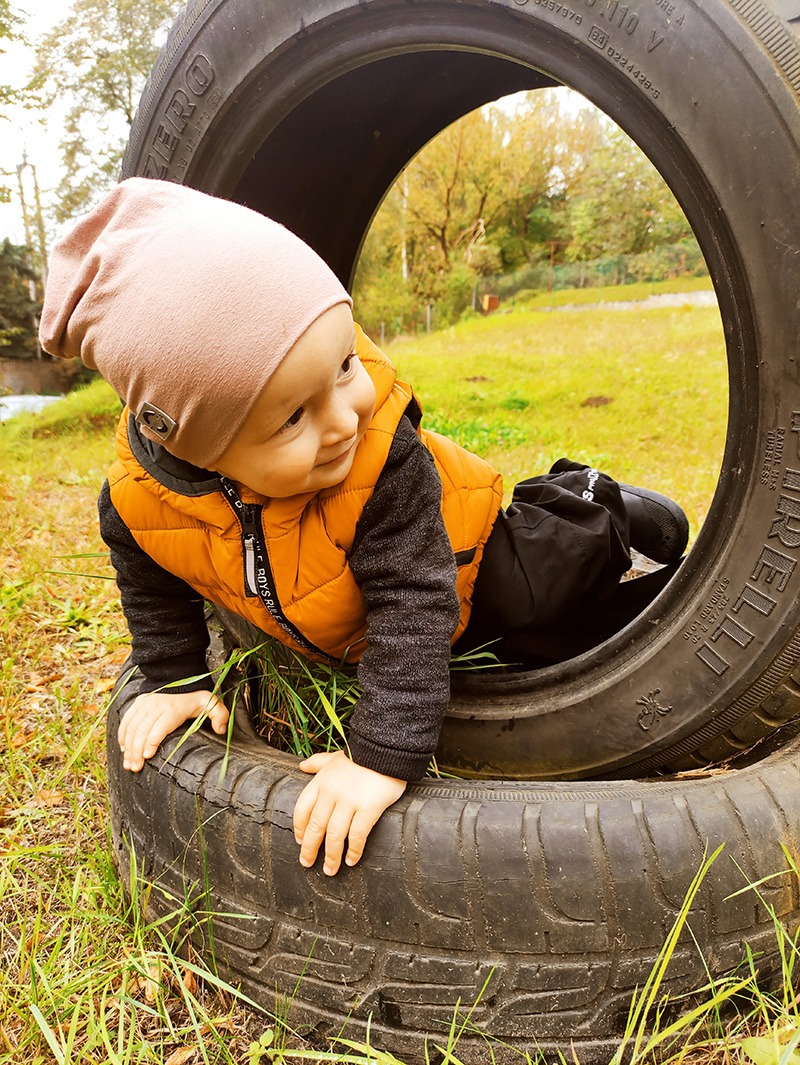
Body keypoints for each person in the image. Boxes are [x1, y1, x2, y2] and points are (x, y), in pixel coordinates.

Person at [39, 178, 688, 878]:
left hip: (471, 555)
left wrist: (380, 756)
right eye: (294, 416)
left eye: (345, 365)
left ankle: (597, 499)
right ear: (192, 445)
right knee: (530, 641)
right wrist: (173, 678)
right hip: (356, 601)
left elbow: (414, 599)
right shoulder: (140, 499)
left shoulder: (377, 457)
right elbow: (153, 575)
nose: (347, 415)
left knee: (552, 589)